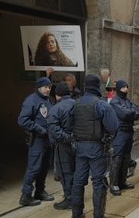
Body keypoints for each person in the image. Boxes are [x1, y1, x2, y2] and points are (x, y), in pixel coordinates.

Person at [71, 74, 119, 218]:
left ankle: (77, 215)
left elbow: (69, 124)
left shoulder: (75, 103)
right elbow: (114, 126)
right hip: (97, 148)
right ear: (98, 86)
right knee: (98, 182)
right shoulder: (101, 104)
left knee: (78, 182)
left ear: (85, 85)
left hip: (79, 147)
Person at [18, 77, 54, 206]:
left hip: (47, 140)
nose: (48, 89)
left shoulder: (48, 100)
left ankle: (40, 191)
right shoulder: (31, 100)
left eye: (49, 87)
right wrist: (39, 129)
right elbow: (23, 120)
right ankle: (26, 195)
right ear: (39, 87)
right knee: (34, 168)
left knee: (44, 167)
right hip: (37, 140)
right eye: (46, 87)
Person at [109, 80, 139, 196]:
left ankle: (122, 182)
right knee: (117, 158)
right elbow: (124, 114)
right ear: (118, 88)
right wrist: (132, 113)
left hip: (129, 131)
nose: (126, 89)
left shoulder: (127, 100)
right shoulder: (114, 101)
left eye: (127, 86)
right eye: (123, 87)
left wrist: (131, 113)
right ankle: (113, 184)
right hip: (120, 132)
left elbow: (138, 112)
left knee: (126, 157)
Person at [47, 82, 76, 210]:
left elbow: (53, 128)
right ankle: (76, 196)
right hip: (78, 143)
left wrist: (67, 137)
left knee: (65, 172)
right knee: (76, 171)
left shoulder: (55, 108)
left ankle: (69, 199)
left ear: (57, 94)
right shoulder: (77, 104)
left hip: (63, 145)